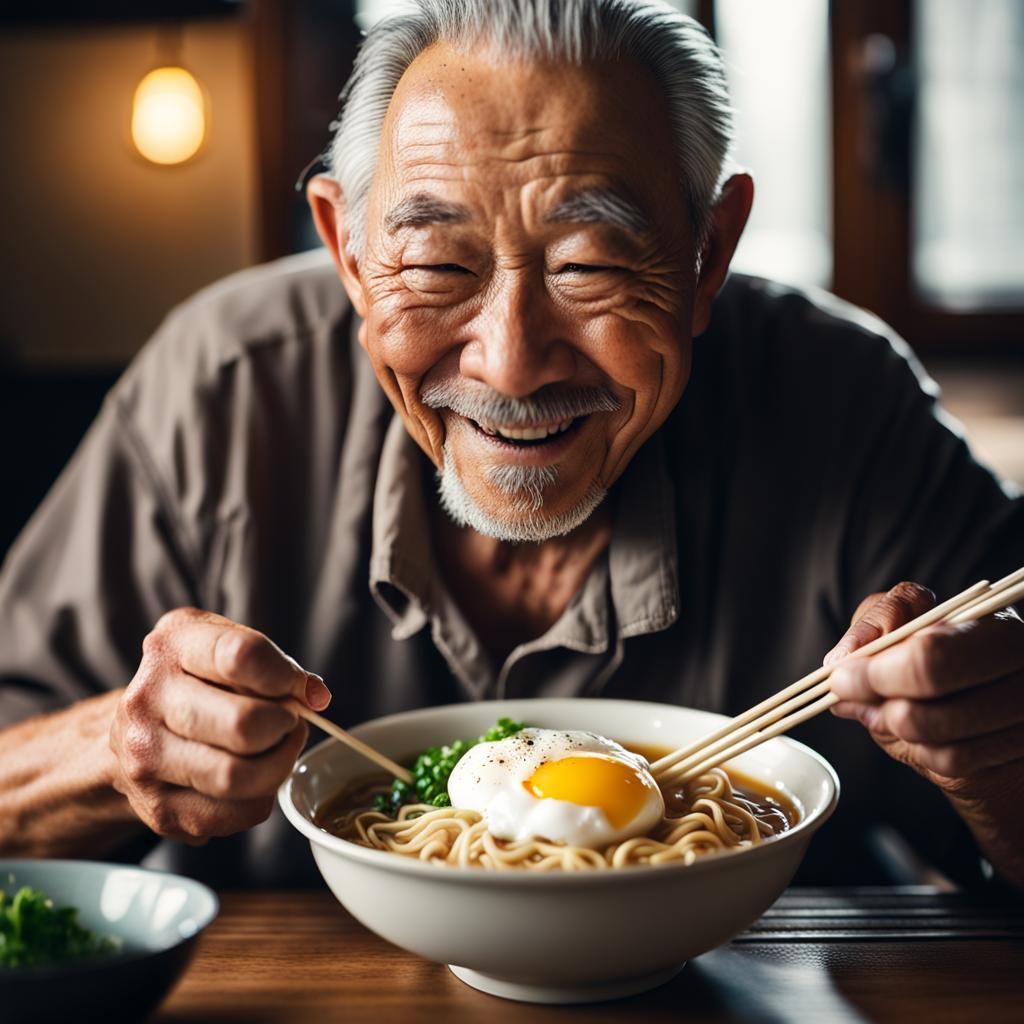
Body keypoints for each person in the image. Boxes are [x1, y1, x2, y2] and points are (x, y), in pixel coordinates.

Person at [1, 0, 1022, 891]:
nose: (512, 361)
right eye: (439, 264)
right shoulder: (223, 387)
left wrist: (998, 759)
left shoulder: (843, 402)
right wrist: (109, 748)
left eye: (589, 264)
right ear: (349, 253)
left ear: (707, 252)